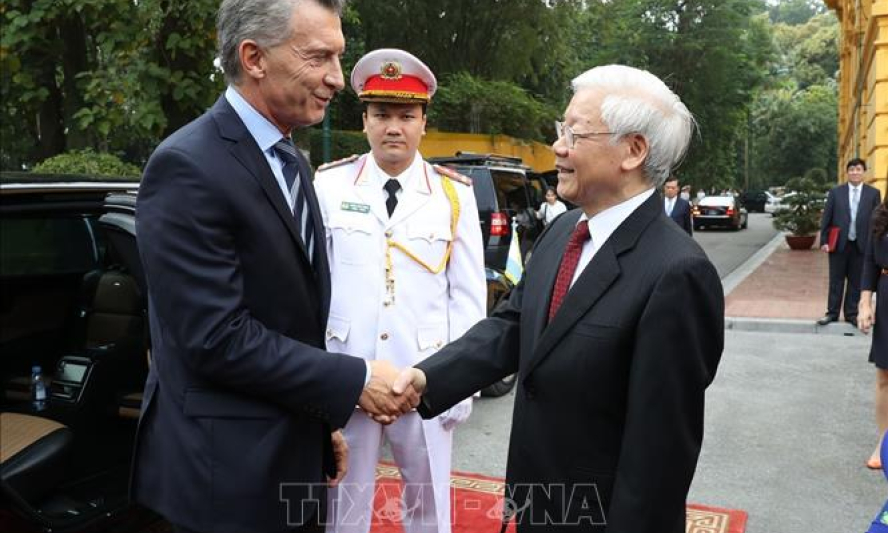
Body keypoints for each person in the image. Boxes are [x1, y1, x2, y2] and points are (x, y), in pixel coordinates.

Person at [395, 64, 724, 532]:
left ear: (633, 151)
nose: (559, 146)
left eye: (575, 132)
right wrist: (425, 378)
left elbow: (659, 456)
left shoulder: (677, 273)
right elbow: (512, 326)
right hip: (536, 504)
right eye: (560, 128)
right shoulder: (565, 230)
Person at [132, 3, 418, 532]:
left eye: (339, 57)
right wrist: (353, 379)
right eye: (319, 57)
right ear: (254, 58)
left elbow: (292, 316)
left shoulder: (288, 158)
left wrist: (316, 421)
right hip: (225, 478)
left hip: (289, 452)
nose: (337, 78)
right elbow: (216, 337)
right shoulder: (188, 166)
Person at [314, 49, 486, 533]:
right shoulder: (329, 185)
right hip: (350, 372)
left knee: (429, 504)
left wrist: (458, 384)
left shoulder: (455, 194)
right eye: (382, 114)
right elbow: (316, 288)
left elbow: (468, 298)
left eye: (406, 116)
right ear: (364, 120)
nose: (394, 127)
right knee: (343, 504)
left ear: (423, 122)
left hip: (425, 374)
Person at [818, 158, 881, 327]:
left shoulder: (873, 194)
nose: (855, 172)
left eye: (858, 169)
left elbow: (878, 221)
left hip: (862, 244)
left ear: (863, 172)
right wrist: (824, 240)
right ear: (847, 172)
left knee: (856, 281)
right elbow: (827, 218)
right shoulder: (835, 192)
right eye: (851, 170)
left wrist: (876, 244)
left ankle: (851, 314)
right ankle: (831, 313)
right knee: (836, 280)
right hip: (839, 243)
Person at [858, 192, 888, 470]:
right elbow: (870, 261)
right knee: (884, 377)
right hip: (887, 297)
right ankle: (884, 442)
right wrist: (865, 301)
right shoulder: (881, 215)